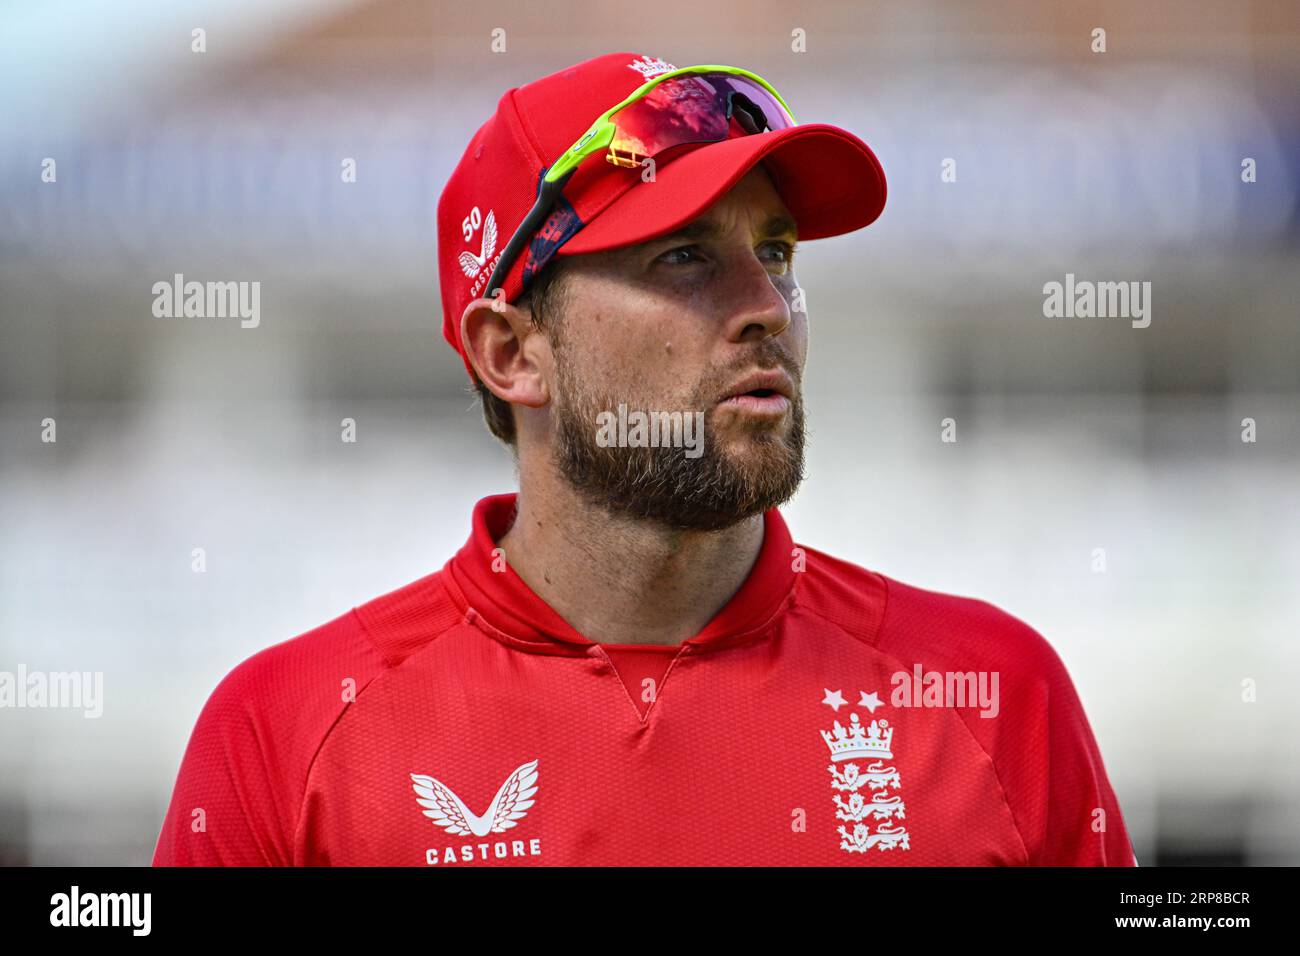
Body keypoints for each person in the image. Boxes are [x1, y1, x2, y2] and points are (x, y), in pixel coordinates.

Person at [153, 52, 1136, 866]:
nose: (767, 307)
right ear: (513, 351)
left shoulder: (994, 690)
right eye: (684, 256)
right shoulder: (284, 732)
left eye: (779, 252)